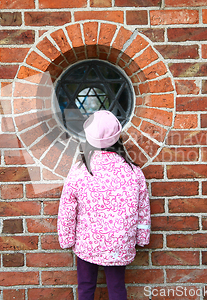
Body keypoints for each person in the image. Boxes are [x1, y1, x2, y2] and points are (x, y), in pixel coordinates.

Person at [57, 110, 151, 300]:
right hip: (119, 243)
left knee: (85, 288)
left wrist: (66, 239)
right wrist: (142, 237)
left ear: (88, 138)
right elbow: (143, 210)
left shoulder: (79, 171)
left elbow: (67, 209)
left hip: (87, 244)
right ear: (118, 137)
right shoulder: (133, 172)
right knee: (117, 289)